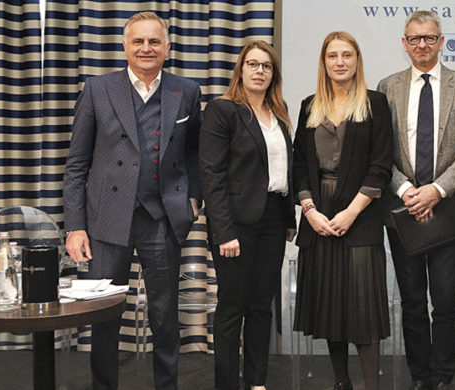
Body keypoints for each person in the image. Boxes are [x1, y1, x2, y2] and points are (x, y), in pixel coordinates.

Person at [63, 11, 201, 390]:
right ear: (124, 45)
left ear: (168, 47)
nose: (146, 48)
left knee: (165, 317)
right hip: (106, 220)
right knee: (104, 316)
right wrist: (75, 226)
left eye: (154, 41)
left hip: (162, 217)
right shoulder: (97, 89)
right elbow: (76, 164)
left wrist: (192, 200)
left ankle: (166, 386)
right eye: (138, 41)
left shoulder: (186, 92)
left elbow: (194, 154)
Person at [377, 10, 455, 390]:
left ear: (441, 42)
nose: (421, 44)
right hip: (402, 212)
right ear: (404, 44)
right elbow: (380, 152)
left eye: (429, 38)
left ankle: (443, 377)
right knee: (411, 303)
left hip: (447, 210)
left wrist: (435, 190)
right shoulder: (387, 87)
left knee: (444, 304)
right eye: (414, 38)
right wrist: (407, 190)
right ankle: (419, 377)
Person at [291, 31, 392, 390]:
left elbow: (381, 165)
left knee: (364, 310)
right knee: (331, 306)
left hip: (360, 217)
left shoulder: (375, 104)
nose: (340, 62)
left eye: (347, 55)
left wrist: (352, 212)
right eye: (333, 56)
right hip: (318, 218)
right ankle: (340, 382)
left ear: (357, 60)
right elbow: (299, 167)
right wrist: (310, 211)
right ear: (324, 62)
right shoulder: (308, 106)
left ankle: (370, 385)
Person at [199, 40, 296, 390]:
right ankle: (226, 383)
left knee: (260, 307)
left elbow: (285, 167)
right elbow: (212, 173)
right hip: (235, 223)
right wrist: (223, 231)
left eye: (266, 66)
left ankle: (256, 382)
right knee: (231, 307)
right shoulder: (223, 110)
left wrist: (288, 219)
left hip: (273, 219)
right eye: (252, 64)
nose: (259, 71)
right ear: (241, 70)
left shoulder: (279, 110)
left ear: (274, 73)